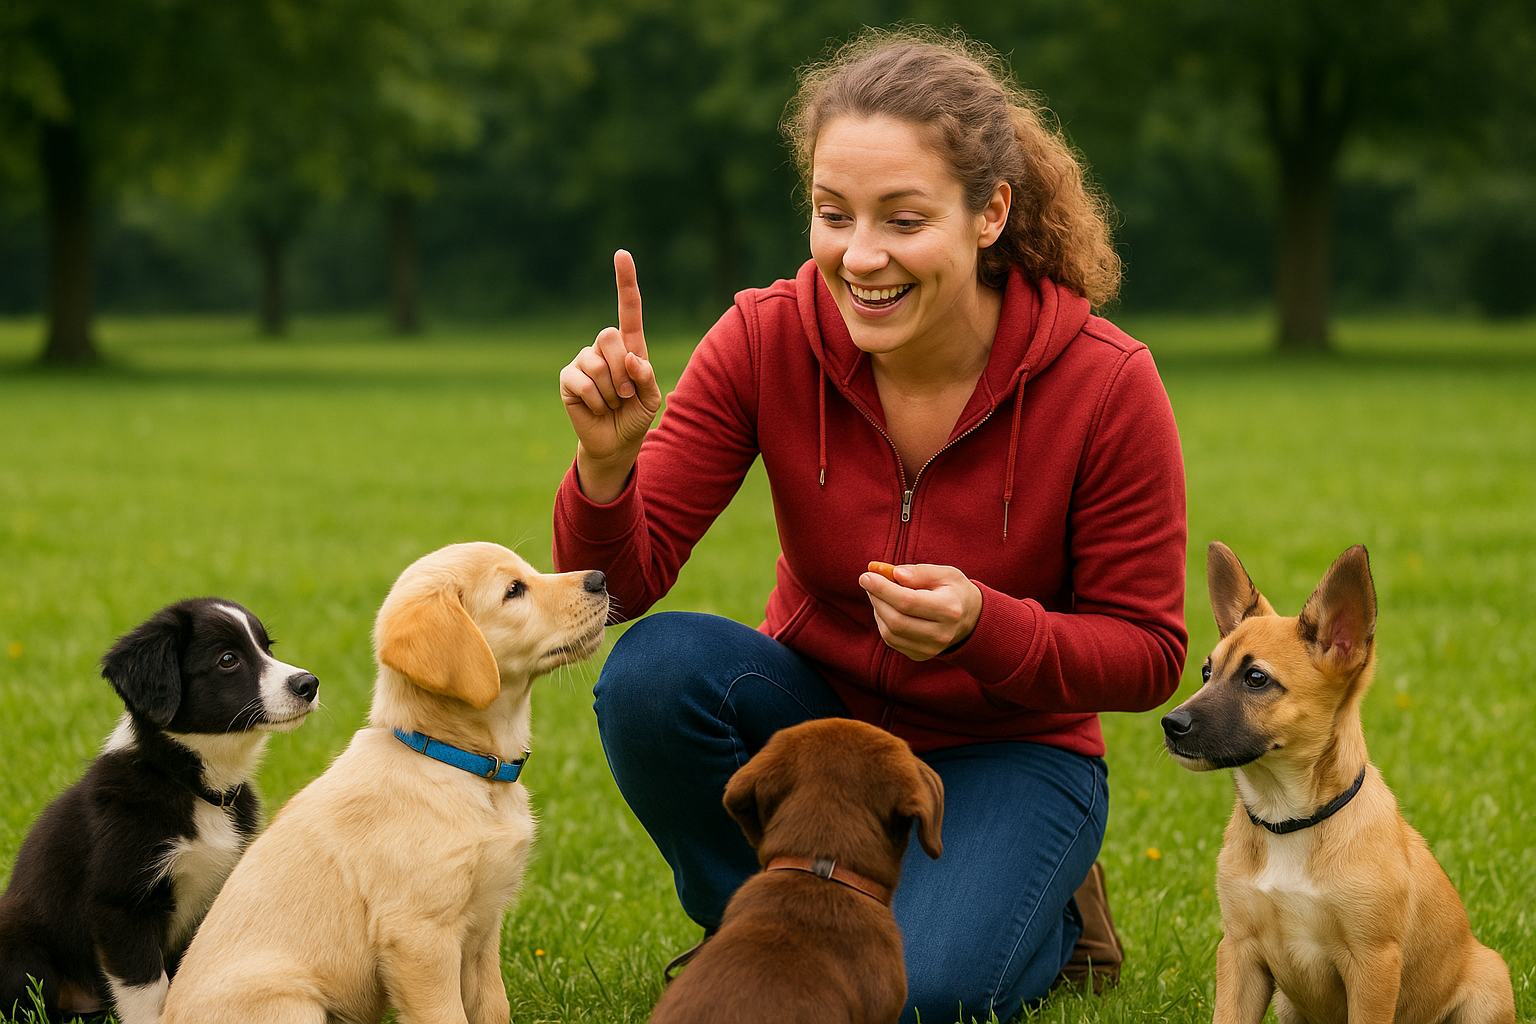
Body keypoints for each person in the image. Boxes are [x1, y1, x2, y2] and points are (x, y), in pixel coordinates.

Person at [552, 27, 1187, 1024]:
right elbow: (621, 590)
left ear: (990, 214)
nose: (861, 256)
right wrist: (605, 465)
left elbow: (1149, 651)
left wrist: (988, 624)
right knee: (653, 671)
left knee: (919, 997)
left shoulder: (1106, 382)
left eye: (903, 218)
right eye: (832, 213)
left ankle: (1060, 916)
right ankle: (755, 928)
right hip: (821, 730)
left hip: (1010, 748)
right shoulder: (767, 336)